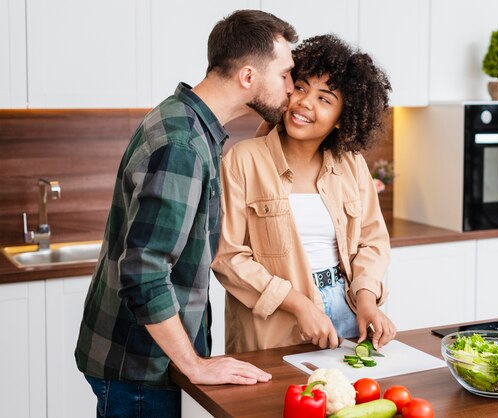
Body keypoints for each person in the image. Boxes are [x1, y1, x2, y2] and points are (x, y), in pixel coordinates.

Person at [74, 10, 298, 418]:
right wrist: (194, 364)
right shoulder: (183, 144)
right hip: (142, 369)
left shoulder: (185, 118)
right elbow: (143, 273)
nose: (291, 87)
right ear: (248, 77)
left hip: (138, 361)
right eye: (284, 74)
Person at [212, 34, 397, 355]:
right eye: (301, 87)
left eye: (324, 98)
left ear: (343, 119)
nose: (304, 103)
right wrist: (299, 305)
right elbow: (227, 257)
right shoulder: (243, 160)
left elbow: (373, 241)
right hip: (276, 320)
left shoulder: (351, 165)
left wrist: (367, 299)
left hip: (347, 312)